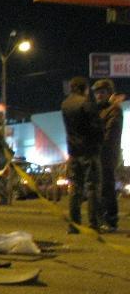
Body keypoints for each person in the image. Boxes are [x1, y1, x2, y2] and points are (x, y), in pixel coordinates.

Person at [61, 76, 103, 232]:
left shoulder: (65, 104)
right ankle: (94, 223)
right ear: (84, 88)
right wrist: (98, 142)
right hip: (89, 151)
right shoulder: (86, 104)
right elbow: (96, 128)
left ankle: (74, 224)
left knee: (75, 187)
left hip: (73, 151)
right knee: (93, 187)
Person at [93, 79, 125, 232]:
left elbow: (110, 134)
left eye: (102, 92)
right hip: (96, 155)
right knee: (98, 189)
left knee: (107, 188)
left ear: (109, 93)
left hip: (107, 155)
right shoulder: (97, 110)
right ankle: (100, 219)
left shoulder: (114, 110)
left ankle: (111, 220)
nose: (99, 95)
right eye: (97, 92)